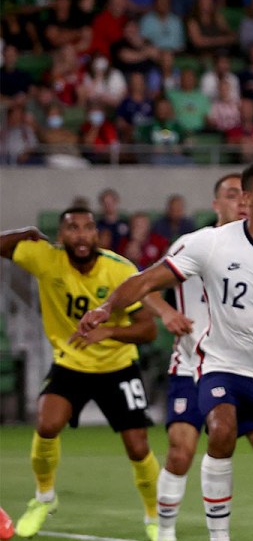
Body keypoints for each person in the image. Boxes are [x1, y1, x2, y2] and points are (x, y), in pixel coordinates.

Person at [76, 158, 253, 541]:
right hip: (219, 365)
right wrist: (105, 308)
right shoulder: (209, 242)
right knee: (219, 430)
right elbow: (144, 281)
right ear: (248, 199)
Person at [153, 174, 253, 541]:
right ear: (215, 204)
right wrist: (167, 312)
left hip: (244, 371)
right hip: (191, 367)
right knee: (180, 452)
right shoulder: (191, 244)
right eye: (231, 195)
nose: (240, 202)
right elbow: (143, 284)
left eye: (244, 195)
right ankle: (165, 532)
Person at [1, 209, 161, 540]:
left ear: (98, 236)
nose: (81, 235)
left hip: (117, 366)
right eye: (72, 228)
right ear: (62, 235)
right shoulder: (47, 258)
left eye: (88, 228)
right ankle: (44, 497)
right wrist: (24, 233)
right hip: (71, 362)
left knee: (138, 447)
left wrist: (108, 333)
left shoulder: (119, 270)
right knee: (46, 425)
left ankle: (155, 516)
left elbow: (148, 330)